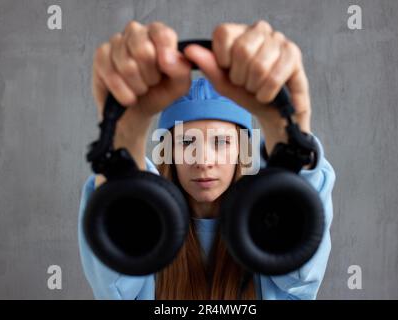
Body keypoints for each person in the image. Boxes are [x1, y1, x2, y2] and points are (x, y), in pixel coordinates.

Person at [78, 20, 336, 300]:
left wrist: (287, 133)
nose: (203, 161)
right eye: (186, 142)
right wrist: (125, 134)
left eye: (221, 142)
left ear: (241, 150)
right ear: (169, 152)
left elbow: (300, 276)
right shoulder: (149, 229)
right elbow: (114, 286)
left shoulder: (268, 227)